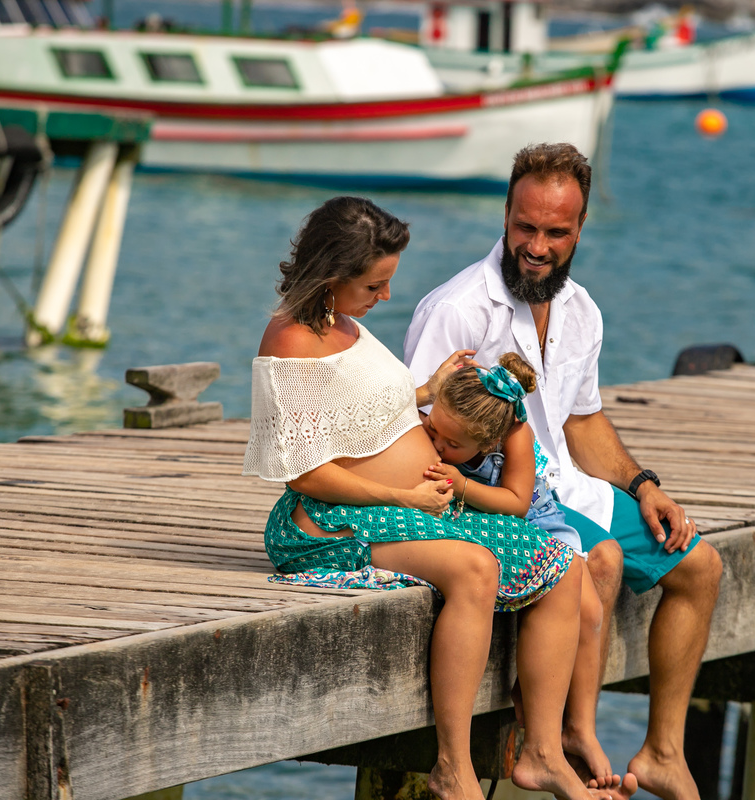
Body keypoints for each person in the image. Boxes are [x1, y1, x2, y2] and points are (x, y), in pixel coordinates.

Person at [242, 196, 633, 800]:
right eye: (375, 284)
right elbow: (306, 475)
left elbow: (363, 412)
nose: (386, 297)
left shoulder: (342, 324)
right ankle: (453, 767)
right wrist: (401, 493)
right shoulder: (291, 341)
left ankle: (544, 752)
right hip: (327, 522)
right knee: (475, 568)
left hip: (396, 507)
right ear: (331, 276)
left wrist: (428, 387)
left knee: (564, 565)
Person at [405, 145, 724, 800]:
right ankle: (561, 741)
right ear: (506, 215)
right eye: (525, 227)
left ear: (580, 229)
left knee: (702, 567)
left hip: (571, 486)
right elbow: (419, 431)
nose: (537, 245)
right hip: (500, 495)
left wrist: (643, 485)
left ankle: (663, 751)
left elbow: (582, 423)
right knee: (600, 560)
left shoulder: (582, 310)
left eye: (555, 232)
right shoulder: (459, 309)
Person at [420, 353, 615, 787]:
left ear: (487, 443)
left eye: (451, 445)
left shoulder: (515, 433)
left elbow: (517, 502)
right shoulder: (442, 421)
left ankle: (576, 730)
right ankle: (542, 734)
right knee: (561, 601)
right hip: (487, 518)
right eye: (434, 430)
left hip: (535, 518)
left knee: (587, 610)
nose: (437, 446)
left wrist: (463, 483)